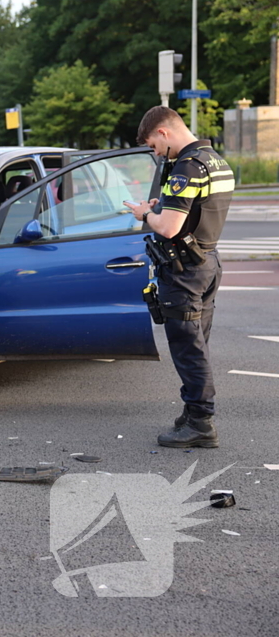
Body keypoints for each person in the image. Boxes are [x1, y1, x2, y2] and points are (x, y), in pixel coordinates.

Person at [123, 107, 233, 449]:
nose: (155, 153)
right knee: (197, 342)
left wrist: (146, 213)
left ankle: (201, 422)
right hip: (208, 262)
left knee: (188, 347)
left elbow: (169, 228)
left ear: (164, 133)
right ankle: (192, 412)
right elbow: (196, 210)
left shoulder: (186, 167)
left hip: (185, 271)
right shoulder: (215, 161)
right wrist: (165, 204)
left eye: (153, 145)